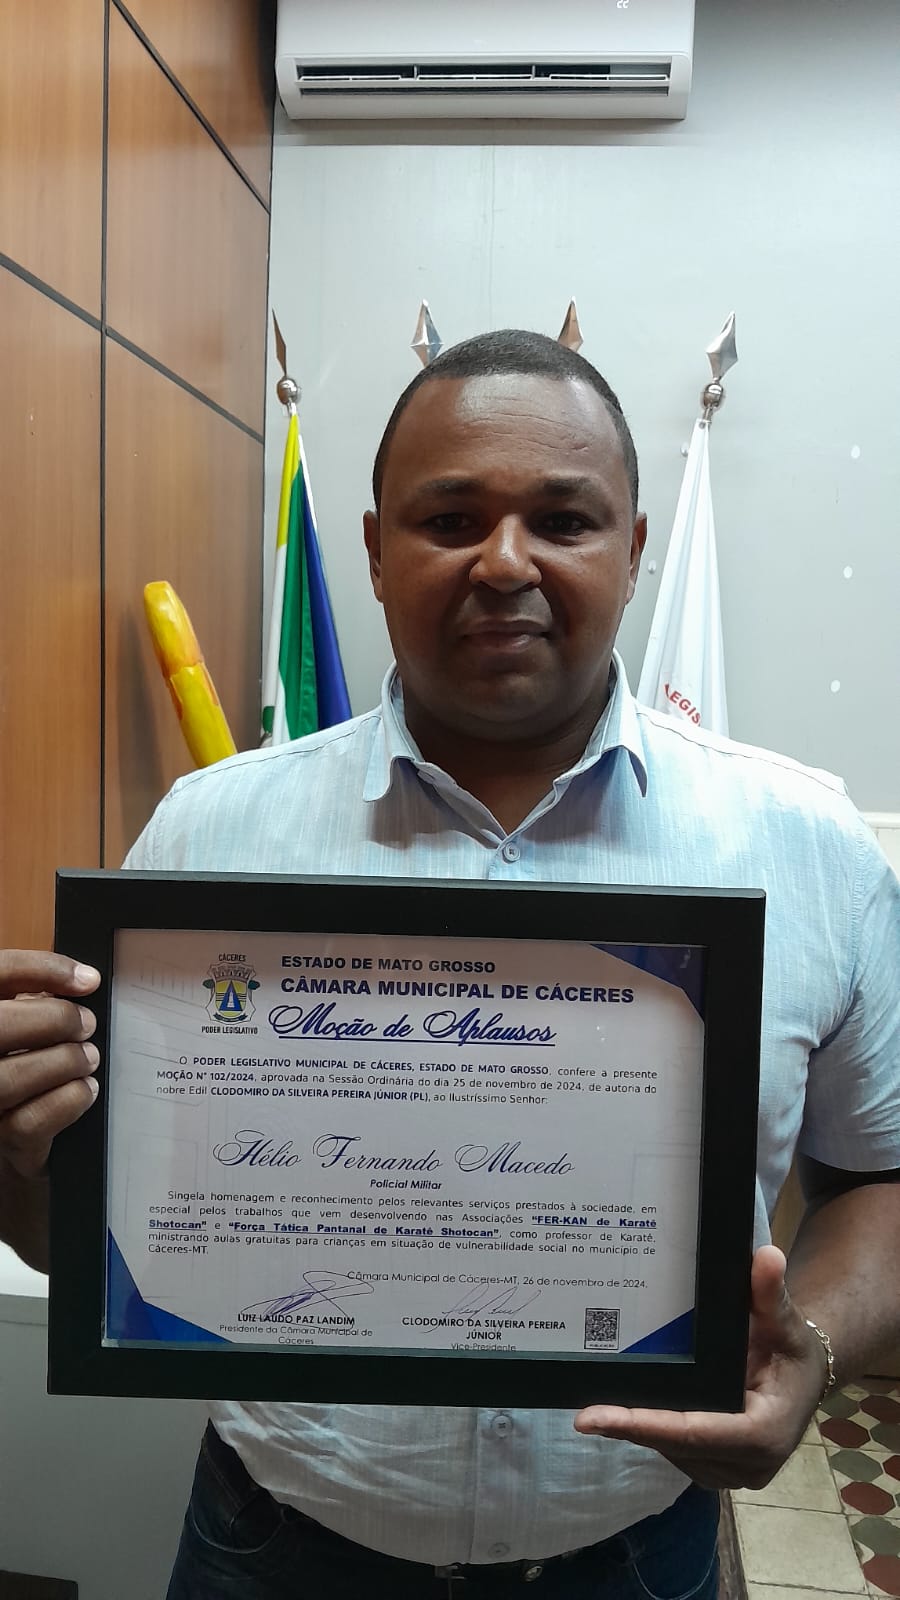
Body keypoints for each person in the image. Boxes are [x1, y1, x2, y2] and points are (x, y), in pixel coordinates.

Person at [1, 330, 898, 1600]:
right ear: (375, 550)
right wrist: (17, 1151)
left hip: (632, 1559)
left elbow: (880, 1177)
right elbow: (81, 1241)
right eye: (451, 518)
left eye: (564, 519)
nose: (506, 561)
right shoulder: (207, 836)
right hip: (276, 1549)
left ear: (635, 548)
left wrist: (812, 1345)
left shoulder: (808, 846)